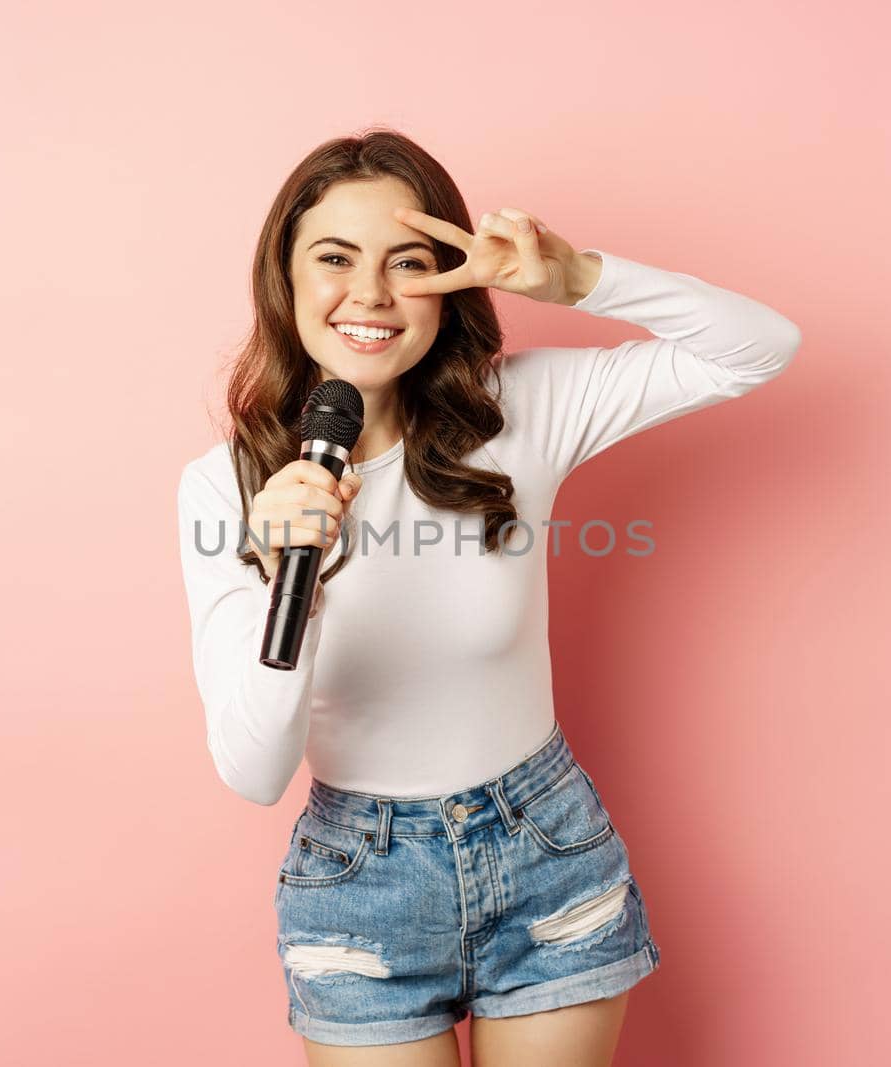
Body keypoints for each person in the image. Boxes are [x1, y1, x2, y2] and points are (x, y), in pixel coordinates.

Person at [176, 128, 801, 1066]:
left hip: (544, 848)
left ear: (448, 284)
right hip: (359, 882)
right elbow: (256, 771)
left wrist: (580, 277)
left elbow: (761, 348)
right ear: (286, 278)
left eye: (409, 263)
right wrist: (287, 581)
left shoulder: (517, 416)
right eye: (336, 259)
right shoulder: (225, 490)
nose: (372, 296)